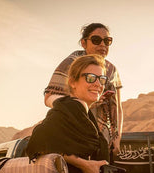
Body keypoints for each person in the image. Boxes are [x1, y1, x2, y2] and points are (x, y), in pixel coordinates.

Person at [27, 54, 154, 173]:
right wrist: (84, 164)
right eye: (90, 78)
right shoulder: (71, 106)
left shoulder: (80, 111)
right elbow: (37, 140)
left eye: (102, 79)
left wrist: (86, 165)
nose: (97, 84)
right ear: (73, 82)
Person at [44, 23, 123, 157]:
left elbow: (118, 107)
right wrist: (81, 103)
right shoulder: (71, 63)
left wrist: (117, 136)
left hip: (102, 136)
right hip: (73, 131)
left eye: (107, 41)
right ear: (83, 43)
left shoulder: (111, 70)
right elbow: (49, 97)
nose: (102, 45)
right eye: (96, 40)